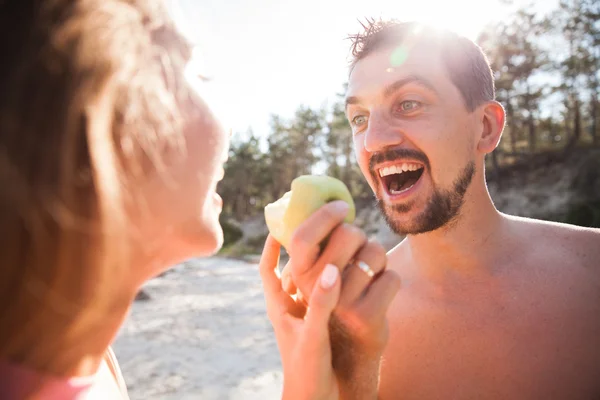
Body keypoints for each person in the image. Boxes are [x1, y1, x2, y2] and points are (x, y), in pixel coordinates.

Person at [0, 1, 399, 399]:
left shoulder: (90, 362)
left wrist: (335, 372)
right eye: (197, 73)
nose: (227, 125)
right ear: (106, 107)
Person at [280, 20, 600, 399]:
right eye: (359, 119)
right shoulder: (348, 318)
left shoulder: (591, 274)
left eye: (409, 104)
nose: (373, 139)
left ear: (484, 127)